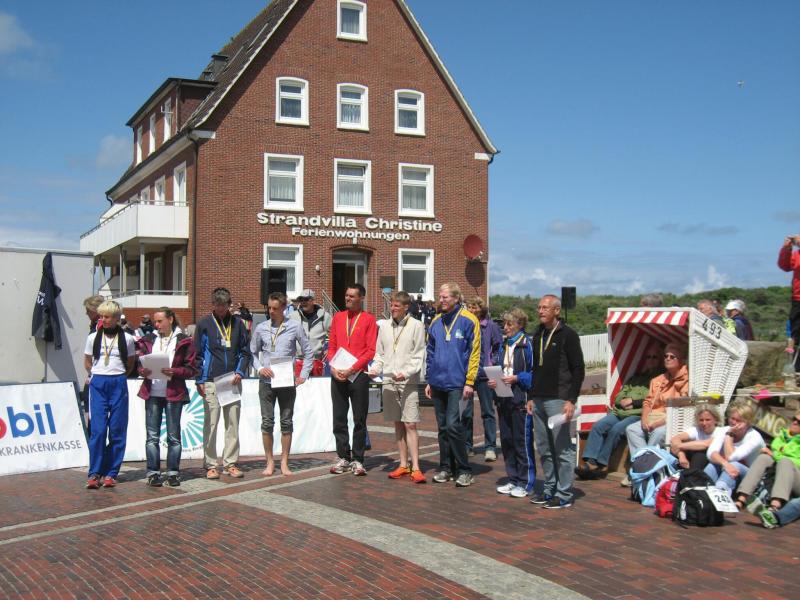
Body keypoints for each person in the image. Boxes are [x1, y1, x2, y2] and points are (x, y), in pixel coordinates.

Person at [527, 295, 585, 509]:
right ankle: (549, 488)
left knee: (561, 448)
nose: (540, 311)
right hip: (539, 398)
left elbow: (578, 368)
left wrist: (571, 399)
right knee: (544, 448)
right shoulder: (538, 334)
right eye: (539, 307)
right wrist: (531, 396)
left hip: (558, 399)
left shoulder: (568, 335)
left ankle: (564, 494)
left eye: (545, 307)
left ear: (557, 311)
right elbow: (535, 368)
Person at [576, 343, 663, 480]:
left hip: (637, 414)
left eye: (654, 357)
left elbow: (655, 399)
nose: (651, 360)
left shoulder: (660, 379)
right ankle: (590, 461)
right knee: (598, 426)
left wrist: (632, 402)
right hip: (620, 412)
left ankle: (601, 464)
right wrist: (622, 401)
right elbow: (620, 395)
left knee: (616, 429)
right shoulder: (636, 377)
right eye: (648, 357)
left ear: (660, 359)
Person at [425, 283, 481, 488]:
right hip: (438, 382)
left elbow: (475, 353)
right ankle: (446, 467)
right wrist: (429, 378)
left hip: (458, 383)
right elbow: (430, 351)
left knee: (453, 425)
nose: (441, 300)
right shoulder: (435, 322)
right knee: (442, 428)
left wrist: (470, 381)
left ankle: (465, 469)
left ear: (456, 298)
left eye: (445, 297)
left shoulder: (469, 320)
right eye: (440, 297)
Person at [251, 292, 312, 477]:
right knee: (267, 422)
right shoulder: (261, 328)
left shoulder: (294, 327)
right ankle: (269, 462)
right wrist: (260, 368)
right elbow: (251, 353)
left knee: (286, 422)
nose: (271, 311)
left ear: (284, 308)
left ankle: (284, 461)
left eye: (275, 308)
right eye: (269, 308)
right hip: (266, 382)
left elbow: (308, 352)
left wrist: (303, 375)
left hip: (286, 383)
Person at [194, 287, 252, 480]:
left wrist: (240, 371)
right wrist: (200, 379)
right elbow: (197, 354)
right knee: (211, 423)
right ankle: (211, 464)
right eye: (217, 304)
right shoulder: (204, 324)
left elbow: (245, 352)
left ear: (229, 304)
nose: (220, 308)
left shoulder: (238, 324)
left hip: (232, 381)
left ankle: (230, 463)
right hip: (211, 381)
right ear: (213, 304)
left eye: (224, 305)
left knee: (232, 423)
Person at [135, 307, 196, 487]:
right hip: (152, 392)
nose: (156, 325)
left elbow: (191, 369)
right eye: (155, 321)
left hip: (173, 393)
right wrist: (142, 370)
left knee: (173, 436)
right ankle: (153, 472)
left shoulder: (183, 340)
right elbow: (138, 363)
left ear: (170, 320)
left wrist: (174, 371)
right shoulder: (149, 339)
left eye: (160, 321)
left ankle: (173, 472)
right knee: (152, 436)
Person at [369, 291, 426, 483]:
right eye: (391, 305)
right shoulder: (384, 326)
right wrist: (375, 369)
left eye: (396, 306)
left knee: (410, 423)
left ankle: (416, 467)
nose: (392, 308)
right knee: (397, 423)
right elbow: (380, 354)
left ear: (405, 307)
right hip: (389, 380)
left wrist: (407, 372)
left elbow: (419, 354)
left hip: (407, 381)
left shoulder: (416, 325)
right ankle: (403, 464)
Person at [82, 300, 136, 489]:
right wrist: (95, 374)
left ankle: (111, 473)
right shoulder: (93, 338)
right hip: (98, 383)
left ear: (116, 318)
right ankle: (94, 473)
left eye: (106, 317)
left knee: (117, 430)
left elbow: (130, 363)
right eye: (101, 316)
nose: (103, 320)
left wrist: (119, 376)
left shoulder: (127, 338)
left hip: (118, 382)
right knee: (97, 430)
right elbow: (87, 361)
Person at [327, 284, 377, 476]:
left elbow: (370, 350)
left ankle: (358, 459)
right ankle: (343, 457)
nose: (347, 298)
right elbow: (332, 346)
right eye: (346, 295)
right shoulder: (338, 317)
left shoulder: (369, 319)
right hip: (338, 374)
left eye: (352, 296)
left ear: (361, 298)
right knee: (339, 418)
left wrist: (352, 369)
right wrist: (333, 367)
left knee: (359, 419)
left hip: (358, 375)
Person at [490, 308, 534, 498]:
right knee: (507, 440)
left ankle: (525, 482)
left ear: (520, 325)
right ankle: (513, 478)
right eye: (504, 324)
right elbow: (500, 367)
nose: (505, 328)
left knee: (521, 441)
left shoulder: (527, 344)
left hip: (520, 399)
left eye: (509, 324)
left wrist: (517, 378)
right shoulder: (504, 345)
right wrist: (495, 380)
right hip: (503, 397)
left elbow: (535, 373)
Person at [625, 343, 689, 464]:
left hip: (673, 420)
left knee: (658, 432)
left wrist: (658, 423)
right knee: (632, 429)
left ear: (681, 360)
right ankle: (643, 462)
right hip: (654, 417)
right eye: (666, 356)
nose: (668, 359)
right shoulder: (657, 380)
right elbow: (648, 402)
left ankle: (647, 464)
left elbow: (681, 407)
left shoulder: (687, 379)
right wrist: (644, 418)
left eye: (672, 357)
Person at [734, 410, 800, 525]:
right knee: (764, 458)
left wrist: (774, 455)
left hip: (796, 477)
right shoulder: (783, 436)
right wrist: (772, 455)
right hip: (783, 472)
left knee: (785, 461)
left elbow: (795, 461)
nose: (795, 423)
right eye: (794, 419)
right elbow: (775, 452)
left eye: (799, 422)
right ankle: (742, 499)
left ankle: (774, 506)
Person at [465, 296, 503, 461]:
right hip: (467, 374)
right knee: (466, 412)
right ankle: (467, 446)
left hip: (485, 374)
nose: (471, 310)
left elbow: (498, 346)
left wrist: (492, 362)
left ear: (481, 309)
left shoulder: (491, 326)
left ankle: (490, 447)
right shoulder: (465, 324)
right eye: (469, 307)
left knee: (487, 412)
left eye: (474, 307)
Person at [703, 400, 764, 494]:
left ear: (748, 422)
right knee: (713, 465)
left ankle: (721, 492)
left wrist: (729, 435)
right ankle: (701, 490)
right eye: (732, 418)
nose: (734, 422)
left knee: (734, 465)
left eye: (739, 420)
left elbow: (731, 457)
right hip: (729, 471)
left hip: (751, 477)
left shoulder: (755, 437)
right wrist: (725, 464)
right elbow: (711, 453)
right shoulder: (723, 430)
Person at [289, 289, 332, 377]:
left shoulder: (325, 316)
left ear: (313, 300)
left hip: (316, 361)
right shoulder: (292, 316)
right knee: (298, 385)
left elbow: (336, 334)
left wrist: (330, 348)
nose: (303, 302)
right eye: (301, 300)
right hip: (298, 361)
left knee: (315, 386)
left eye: (306, 299)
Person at [669, 403, 722, 471]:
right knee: (673, 450)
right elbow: (675, 439)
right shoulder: (696, 430)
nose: (704, 423)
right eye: (701, 420)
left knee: (700, 454)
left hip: (712, 462)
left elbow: (705, 444)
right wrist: (682, 456)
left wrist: (678, 446)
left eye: (708, 420)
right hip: (692, 460)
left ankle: (691, 474)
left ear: (716, 419)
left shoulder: (720, 431)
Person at [778, 235, 800, 352]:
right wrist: (787, 249)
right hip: (798, 298)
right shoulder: (797, 255)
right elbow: (784, 266)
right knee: (795, 332)